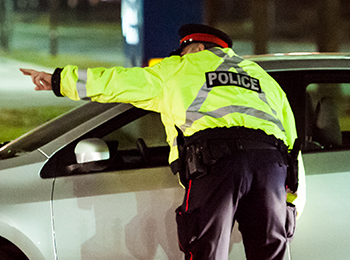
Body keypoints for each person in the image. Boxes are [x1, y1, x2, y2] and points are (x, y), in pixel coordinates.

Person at [21, 24, 301, 260]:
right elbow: (291, 139)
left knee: (207, 250)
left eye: (183, 50)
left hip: (216, 163)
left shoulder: (179, 68)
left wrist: (58, 80)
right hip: (270, 167)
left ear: (197, 48)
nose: (180, 55)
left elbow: (117, 82)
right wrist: (289, 196)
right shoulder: (260, 76)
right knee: (270, 252)